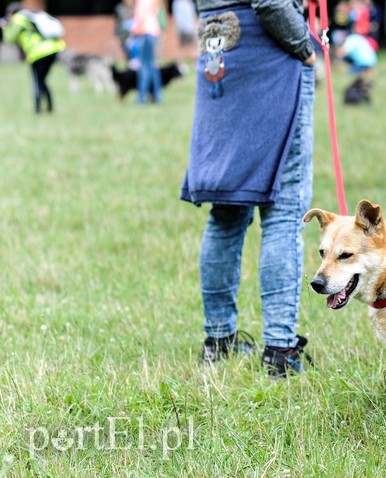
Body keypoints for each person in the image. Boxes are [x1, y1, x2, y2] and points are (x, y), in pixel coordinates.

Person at [180, 0, 316, 378]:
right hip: (267, 50)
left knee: (226, 210)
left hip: (217, 46)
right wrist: (304, 46)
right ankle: (280, 350)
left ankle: (219, 342)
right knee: (285, 211)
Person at [0, 3, 66, 114]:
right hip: (54, 49)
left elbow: (9, 39)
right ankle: (50, 107)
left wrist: (4, 27)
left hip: (39, 52)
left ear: (12, 13)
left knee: (37, 81)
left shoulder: (19, 19)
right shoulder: (31, 16)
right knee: (42, 80)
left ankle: (38, 110)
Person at [130, 0, 164, 104]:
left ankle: (142, 97)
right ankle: (157, 96)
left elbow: (141, 16)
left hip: (146, 32)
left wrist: (135, 28)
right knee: (151, 65)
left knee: (144, 66)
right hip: (154, 31)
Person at [172, 0, 198, 65]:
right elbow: (193, 16)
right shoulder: (189, 3)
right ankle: (194, 64)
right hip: (189, 28)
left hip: (182, 29)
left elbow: (175, 16)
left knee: (182, 48)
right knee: (192, 47)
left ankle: (180, 65)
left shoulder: (176, 3)